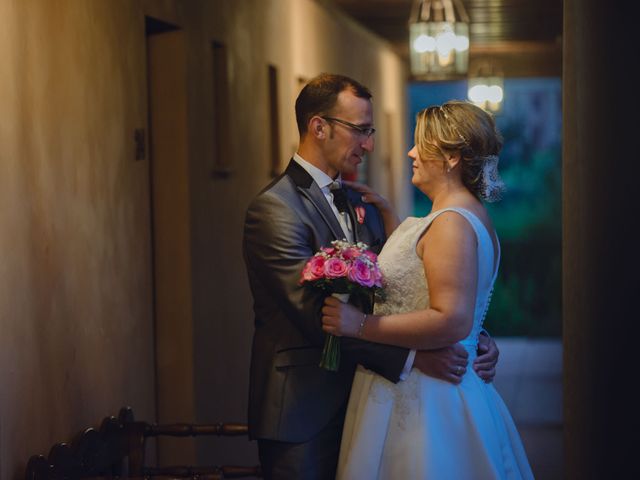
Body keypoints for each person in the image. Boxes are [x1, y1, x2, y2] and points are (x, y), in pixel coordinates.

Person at [242, 74, 500, 480]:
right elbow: (317, 318)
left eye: (371, 130)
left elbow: (399, 293)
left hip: (364, 404)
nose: (370, 144)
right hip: (303, 414)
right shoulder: (275, 210)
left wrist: (469, 336)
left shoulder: (363, 202)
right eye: (360, 130)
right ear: (319, 126)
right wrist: (416, 357)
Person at [321, 101, 534, 479]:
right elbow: (424, 281)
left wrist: (360, 324)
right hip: (431, 387)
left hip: (427, 399)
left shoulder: (451, 222)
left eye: (421, 144)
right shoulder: (457, 215)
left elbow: (451, 319)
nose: (411, 153)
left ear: (451, 157)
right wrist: (393, 223)